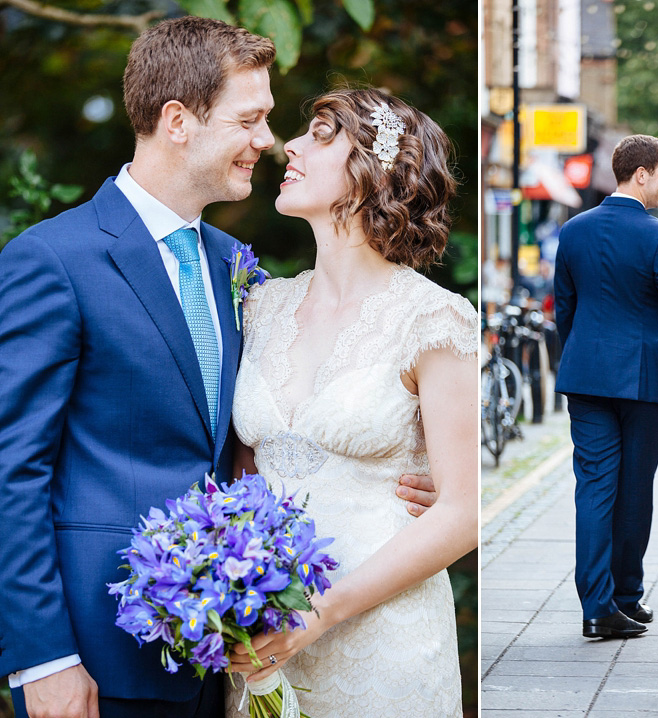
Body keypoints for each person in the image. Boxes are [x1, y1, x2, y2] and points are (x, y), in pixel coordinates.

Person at [0, 18, 434, 718]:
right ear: (178, 120)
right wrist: (40, 657)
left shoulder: (237, 269)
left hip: (230, 657)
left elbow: (267, 431)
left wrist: (416, 463)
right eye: (251, 119)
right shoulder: (53, 260)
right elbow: (9, 468)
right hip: (95, 657)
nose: (268, 140)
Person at [222, 88, 478, 717]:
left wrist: (316, 614)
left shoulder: (435, 318)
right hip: (262, 635)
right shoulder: (260, 306)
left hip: (381, 636)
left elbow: (464, 513)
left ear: (373, 169)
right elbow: (242, 472)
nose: (291, 144)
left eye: (321, 133)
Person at [553, 134, 658, 640]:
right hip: (642, 379)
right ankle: (621, 596)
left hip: (586, 377)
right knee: (633, 491)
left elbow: (565, 308)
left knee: (594, 490)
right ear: (641, 174)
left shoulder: (573, 230)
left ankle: (605, 605)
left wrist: (580, 355)